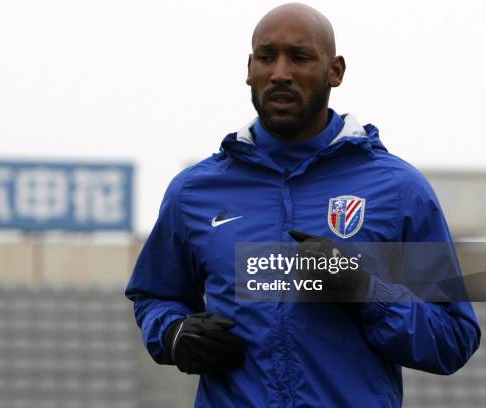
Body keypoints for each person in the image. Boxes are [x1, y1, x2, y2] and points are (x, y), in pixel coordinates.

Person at [125, 3, 481, 407]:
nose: (280, 73)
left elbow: (453, 338)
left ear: (336, 71)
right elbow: (155, 296)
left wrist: (366, 292)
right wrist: (173, 334)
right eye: (266, 57)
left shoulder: (397, 191)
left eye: (300, 57)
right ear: (248, 69)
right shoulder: (195, 192)